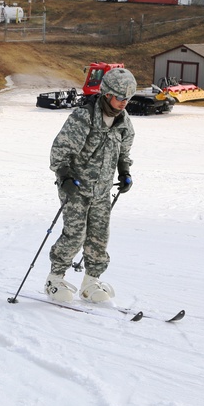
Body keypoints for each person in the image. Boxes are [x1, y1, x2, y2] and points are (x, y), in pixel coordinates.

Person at [44, 68, 136, 303]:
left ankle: (91, 281)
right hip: (75, 186)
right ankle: (55, 280)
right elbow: (60, 151)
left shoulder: (123, 122)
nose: (124, 103)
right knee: (75, 235)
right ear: (107, 94)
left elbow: (124, 152)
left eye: (127, 98)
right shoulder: (84, 117)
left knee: (99, 236)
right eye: (120, 97)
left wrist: (124, 172)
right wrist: (64, 177)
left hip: (102, 190)